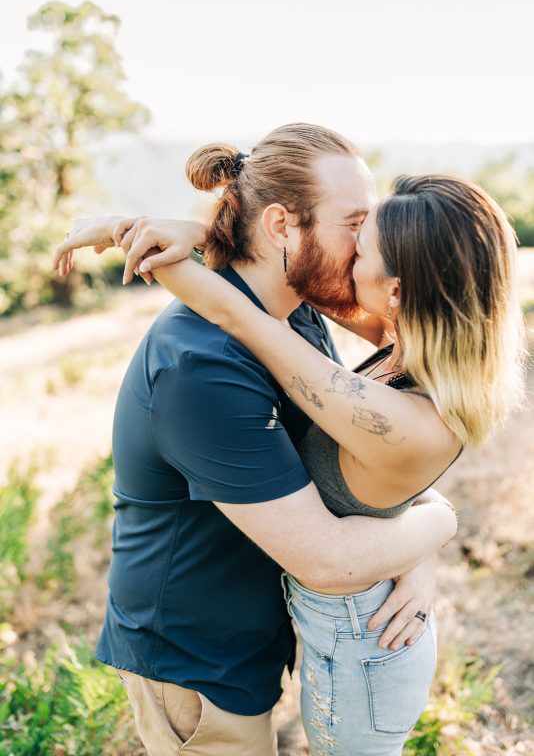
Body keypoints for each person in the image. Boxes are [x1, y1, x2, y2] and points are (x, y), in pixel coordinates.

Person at [53, 124, 464, 756]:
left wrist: (170, 230)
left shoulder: (295, 303)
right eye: (353, 222)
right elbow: (325, 560)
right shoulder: (200, 366)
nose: (369, 244)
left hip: (253, 628)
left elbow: (392, 412)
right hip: (193, 664)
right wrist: (438, 524)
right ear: (280, 227)